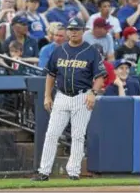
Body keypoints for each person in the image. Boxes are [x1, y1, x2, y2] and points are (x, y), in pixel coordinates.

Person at [31, 17, 106, 181]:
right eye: (71, 29)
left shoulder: (91, 51)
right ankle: (44, 171)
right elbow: (51, 74)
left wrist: (93, 93)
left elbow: (100, 76)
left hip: (82, 96)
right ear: (67, 31)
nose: (73, 32)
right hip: (61, 96)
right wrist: (46, 96)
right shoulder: (59, 50)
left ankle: (73, 172)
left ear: (83, 31)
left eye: (77, 29)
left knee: (78, 136)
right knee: (51, 134)